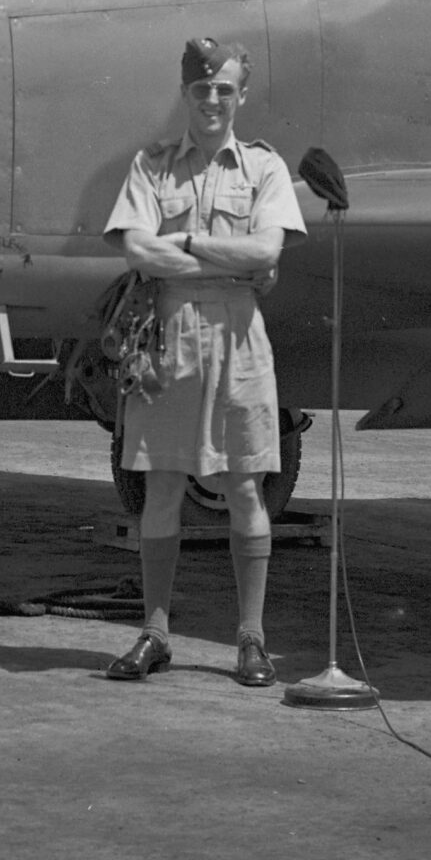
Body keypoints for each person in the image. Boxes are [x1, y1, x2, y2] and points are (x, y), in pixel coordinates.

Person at [100, 37, 307, 685]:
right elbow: (138, 251)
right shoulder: (152, 166)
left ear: (241, 94)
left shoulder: (264, 170)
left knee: (245, 485)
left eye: (224, 89)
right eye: (200, 89)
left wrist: (184, 240)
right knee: (161, 485)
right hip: (168, 341)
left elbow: (267, 252)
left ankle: (250, 639)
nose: (212, 100)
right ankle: (155, 634)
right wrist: (227, 254)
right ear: (185, 94)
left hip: (240, 341)